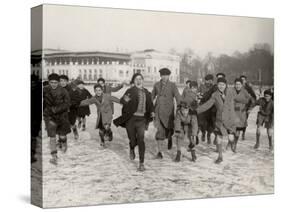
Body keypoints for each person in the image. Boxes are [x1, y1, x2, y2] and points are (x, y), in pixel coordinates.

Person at [114, 73, 154, 172]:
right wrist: (127, 98)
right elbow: (123, 102)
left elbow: (150, 105)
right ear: (133, 81)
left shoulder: (147, 92)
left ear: (143, 80)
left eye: (140, 79)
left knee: (141, 140)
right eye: (136, 79)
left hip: (142, 120)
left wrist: (152, 112)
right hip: (131, 119)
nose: (138, 81)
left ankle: (141, 163)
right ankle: (132, 147)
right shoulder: (130, 91)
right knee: (132, 139)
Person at [196, 77, 236, 164]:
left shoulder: (231, 92)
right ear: (217, 85)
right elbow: (207, 105)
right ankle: (220, 156)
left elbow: (234, 103)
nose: (221, 86)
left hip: (230, 119)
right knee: (218, 138)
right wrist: (196, 111)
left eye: (223, 85)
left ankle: (232, 142)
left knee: (231, 138)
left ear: (226, 85)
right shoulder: (215, 95)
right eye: (219, 84)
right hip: (220, 119)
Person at [151, 68, 181, 159]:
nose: (164, 77)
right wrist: (150, 109)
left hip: (169, 112)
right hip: (158, 111)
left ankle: (169, 137)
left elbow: (177, 97)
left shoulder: (172, 85)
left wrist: (180, 107)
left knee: (169, 128)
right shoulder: (156, 85)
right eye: (163, 75)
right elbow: (151, 97)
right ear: (160, 76)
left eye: (166, 75)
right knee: (160, 131)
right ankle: (160, 152)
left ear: (169, 76)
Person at [43, 73, 71, 165]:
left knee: (62, 135)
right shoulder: (45, 90)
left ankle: (64, 142)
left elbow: (67, 104)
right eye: (51, 82)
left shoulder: (63, 91)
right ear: (49, 82)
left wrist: (55, 109)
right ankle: (54, 156)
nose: (53, 84)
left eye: (55, 82)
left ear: (58, 82)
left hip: (62, 116)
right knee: (52, 136)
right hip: (49, 116)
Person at [231, 78, 255, 152]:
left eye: (239, 84)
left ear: (242, 85)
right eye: (236, 84)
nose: (237, 86)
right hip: (232, 112)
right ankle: (230, 142)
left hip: (241, 114)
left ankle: (235, 144)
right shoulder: (231, 91)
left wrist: (249, 108)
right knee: (231, 130)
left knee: (238, 130)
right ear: (234, 84)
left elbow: (252, 100)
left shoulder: (245, 92)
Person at [60, 75, 81, 142]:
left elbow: (77, 100)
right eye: (61, 81)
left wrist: (69, 104)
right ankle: (61, 140)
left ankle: (75, 131)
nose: (62, 82)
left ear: (67, 81)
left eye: (64, 81)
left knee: (72, 124)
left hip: (71, 110)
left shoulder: (72, 89)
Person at [198, 74, 216, 144]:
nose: (209, 82)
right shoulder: (201, 87)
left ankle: (208, 135)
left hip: (211, 108)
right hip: (203, 107)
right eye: (207, 80)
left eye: (210, 80)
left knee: (211, 123)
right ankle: (203, 133)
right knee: (203, 123)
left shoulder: (214, 87)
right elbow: (198, 95)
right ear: (205, 80)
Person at [240, 75, 257, 140]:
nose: (242, 81)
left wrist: (250, 108)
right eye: (241, 79)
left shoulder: (248, 88)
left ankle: (243, 134)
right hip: (238, 107)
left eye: (243, 80)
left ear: (245, 80)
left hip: (246, 107)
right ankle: (236, 132)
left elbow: (254, 97)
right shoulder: (237, 86)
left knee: (244, 120)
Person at [31, 74, 42, 163]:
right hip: (35, 117)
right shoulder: (38, 91)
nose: (32, 84)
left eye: (34, 83)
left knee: (33, 136)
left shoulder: (38, 92)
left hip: (36, 118)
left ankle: (32, 153)